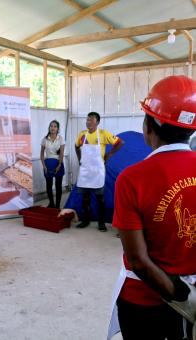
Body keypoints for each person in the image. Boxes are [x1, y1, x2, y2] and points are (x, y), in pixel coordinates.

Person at [109, 75, 196, 340]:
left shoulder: (132, 178)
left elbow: (138, 261)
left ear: (148, 125)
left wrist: (179, 296)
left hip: (144, 299)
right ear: (190, 129)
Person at [75, 112, 123, 231]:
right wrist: (79, 159)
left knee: (100, 198)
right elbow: (76, 147)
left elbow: (120, 143)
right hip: (85, 171)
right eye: (87, 120)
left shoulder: (103, 134)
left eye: (91, 120)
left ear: (97, 122)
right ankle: (85, 220)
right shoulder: (82, 135)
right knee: (85, 197)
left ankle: (101, 223)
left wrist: (109, 154)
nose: (88, 122)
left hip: (97, 171)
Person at [40, 120, 65, 208]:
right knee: (49, 186)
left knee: (58, 186)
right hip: (48, 165)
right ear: (49, 128)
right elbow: (42, 154)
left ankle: (57, 205)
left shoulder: (61, 139)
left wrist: (59, 165)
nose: (53, 128)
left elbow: (61, 153)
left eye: (55, 126)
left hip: (58, 164)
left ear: (58, 128)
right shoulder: (45, 139)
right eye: (51, 126)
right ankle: (51, 203)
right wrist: (44, 166)